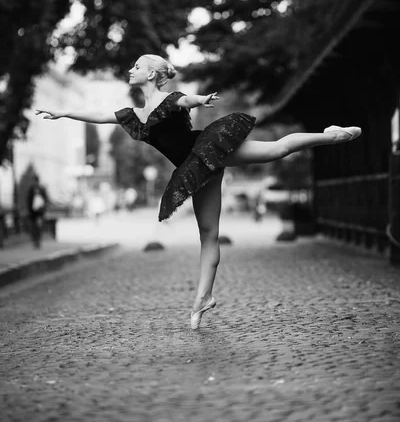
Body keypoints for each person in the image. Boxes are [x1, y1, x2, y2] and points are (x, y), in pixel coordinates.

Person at [36, 54, 362, 329]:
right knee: (208, 234)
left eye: (136, 67)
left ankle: (331, 135)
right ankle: (203, 298)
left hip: (207, 149)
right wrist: (64, 112)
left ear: (151, 74)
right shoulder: (133, 115)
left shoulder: (169, 100)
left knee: (276, 149)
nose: (130, 71)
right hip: (194, 168)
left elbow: (183, 100)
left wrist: (201, 100)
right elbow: (100, 116)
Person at [27, 174, 49, 248]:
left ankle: (37, 241)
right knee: (34, 227)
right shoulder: (32, 189)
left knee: (37, 227)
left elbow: (45, 199)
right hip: (35, 213)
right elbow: (28, 201)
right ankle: (36, 241)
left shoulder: (40, 189)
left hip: (38, 212)